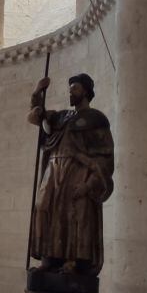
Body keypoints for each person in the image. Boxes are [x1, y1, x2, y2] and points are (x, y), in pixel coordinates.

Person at [27, 74, 115, 275]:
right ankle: (49, 258)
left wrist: (90, 184)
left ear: (85, 91)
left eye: (74, 88)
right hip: (54, 167)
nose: (70, 92)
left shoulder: (96, 119)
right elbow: (38, 117)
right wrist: (38, 91)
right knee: (44, 208)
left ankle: (74, 261)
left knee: (74, 214)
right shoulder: (63, 116)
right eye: (69, 88)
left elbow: (105, 156)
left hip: (78, 170)